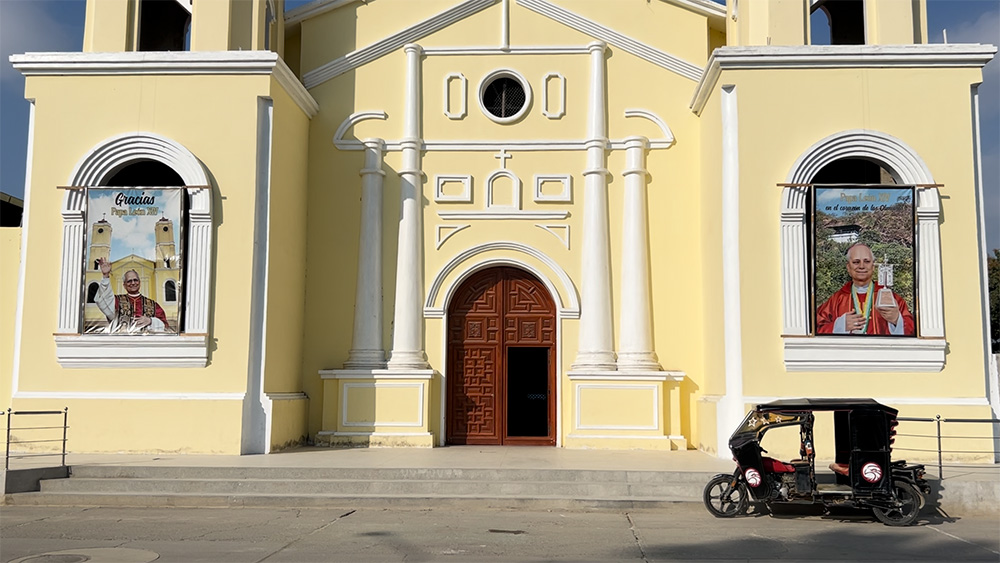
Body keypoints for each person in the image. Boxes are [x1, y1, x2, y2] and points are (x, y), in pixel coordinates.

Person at [816, 243, 914, 335]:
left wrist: (897, 320)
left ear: (873, 266)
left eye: (866, 261)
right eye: (856, 262)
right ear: (848, 267)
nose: (861, 266)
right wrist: (840, 325)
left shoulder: (890, 298)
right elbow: (816, 327)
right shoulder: (837, 299)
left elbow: (912, 328)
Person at [94, 257, 170, 333]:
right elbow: (104, 299)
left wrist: (151, 321)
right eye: (129, 281)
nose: (133, 283)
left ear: (139, 282)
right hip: (122, 342)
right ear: (124, 285)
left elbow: (165, 326)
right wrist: (106, 276)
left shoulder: (153, 305)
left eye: (135, 280)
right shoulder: (117, 301)